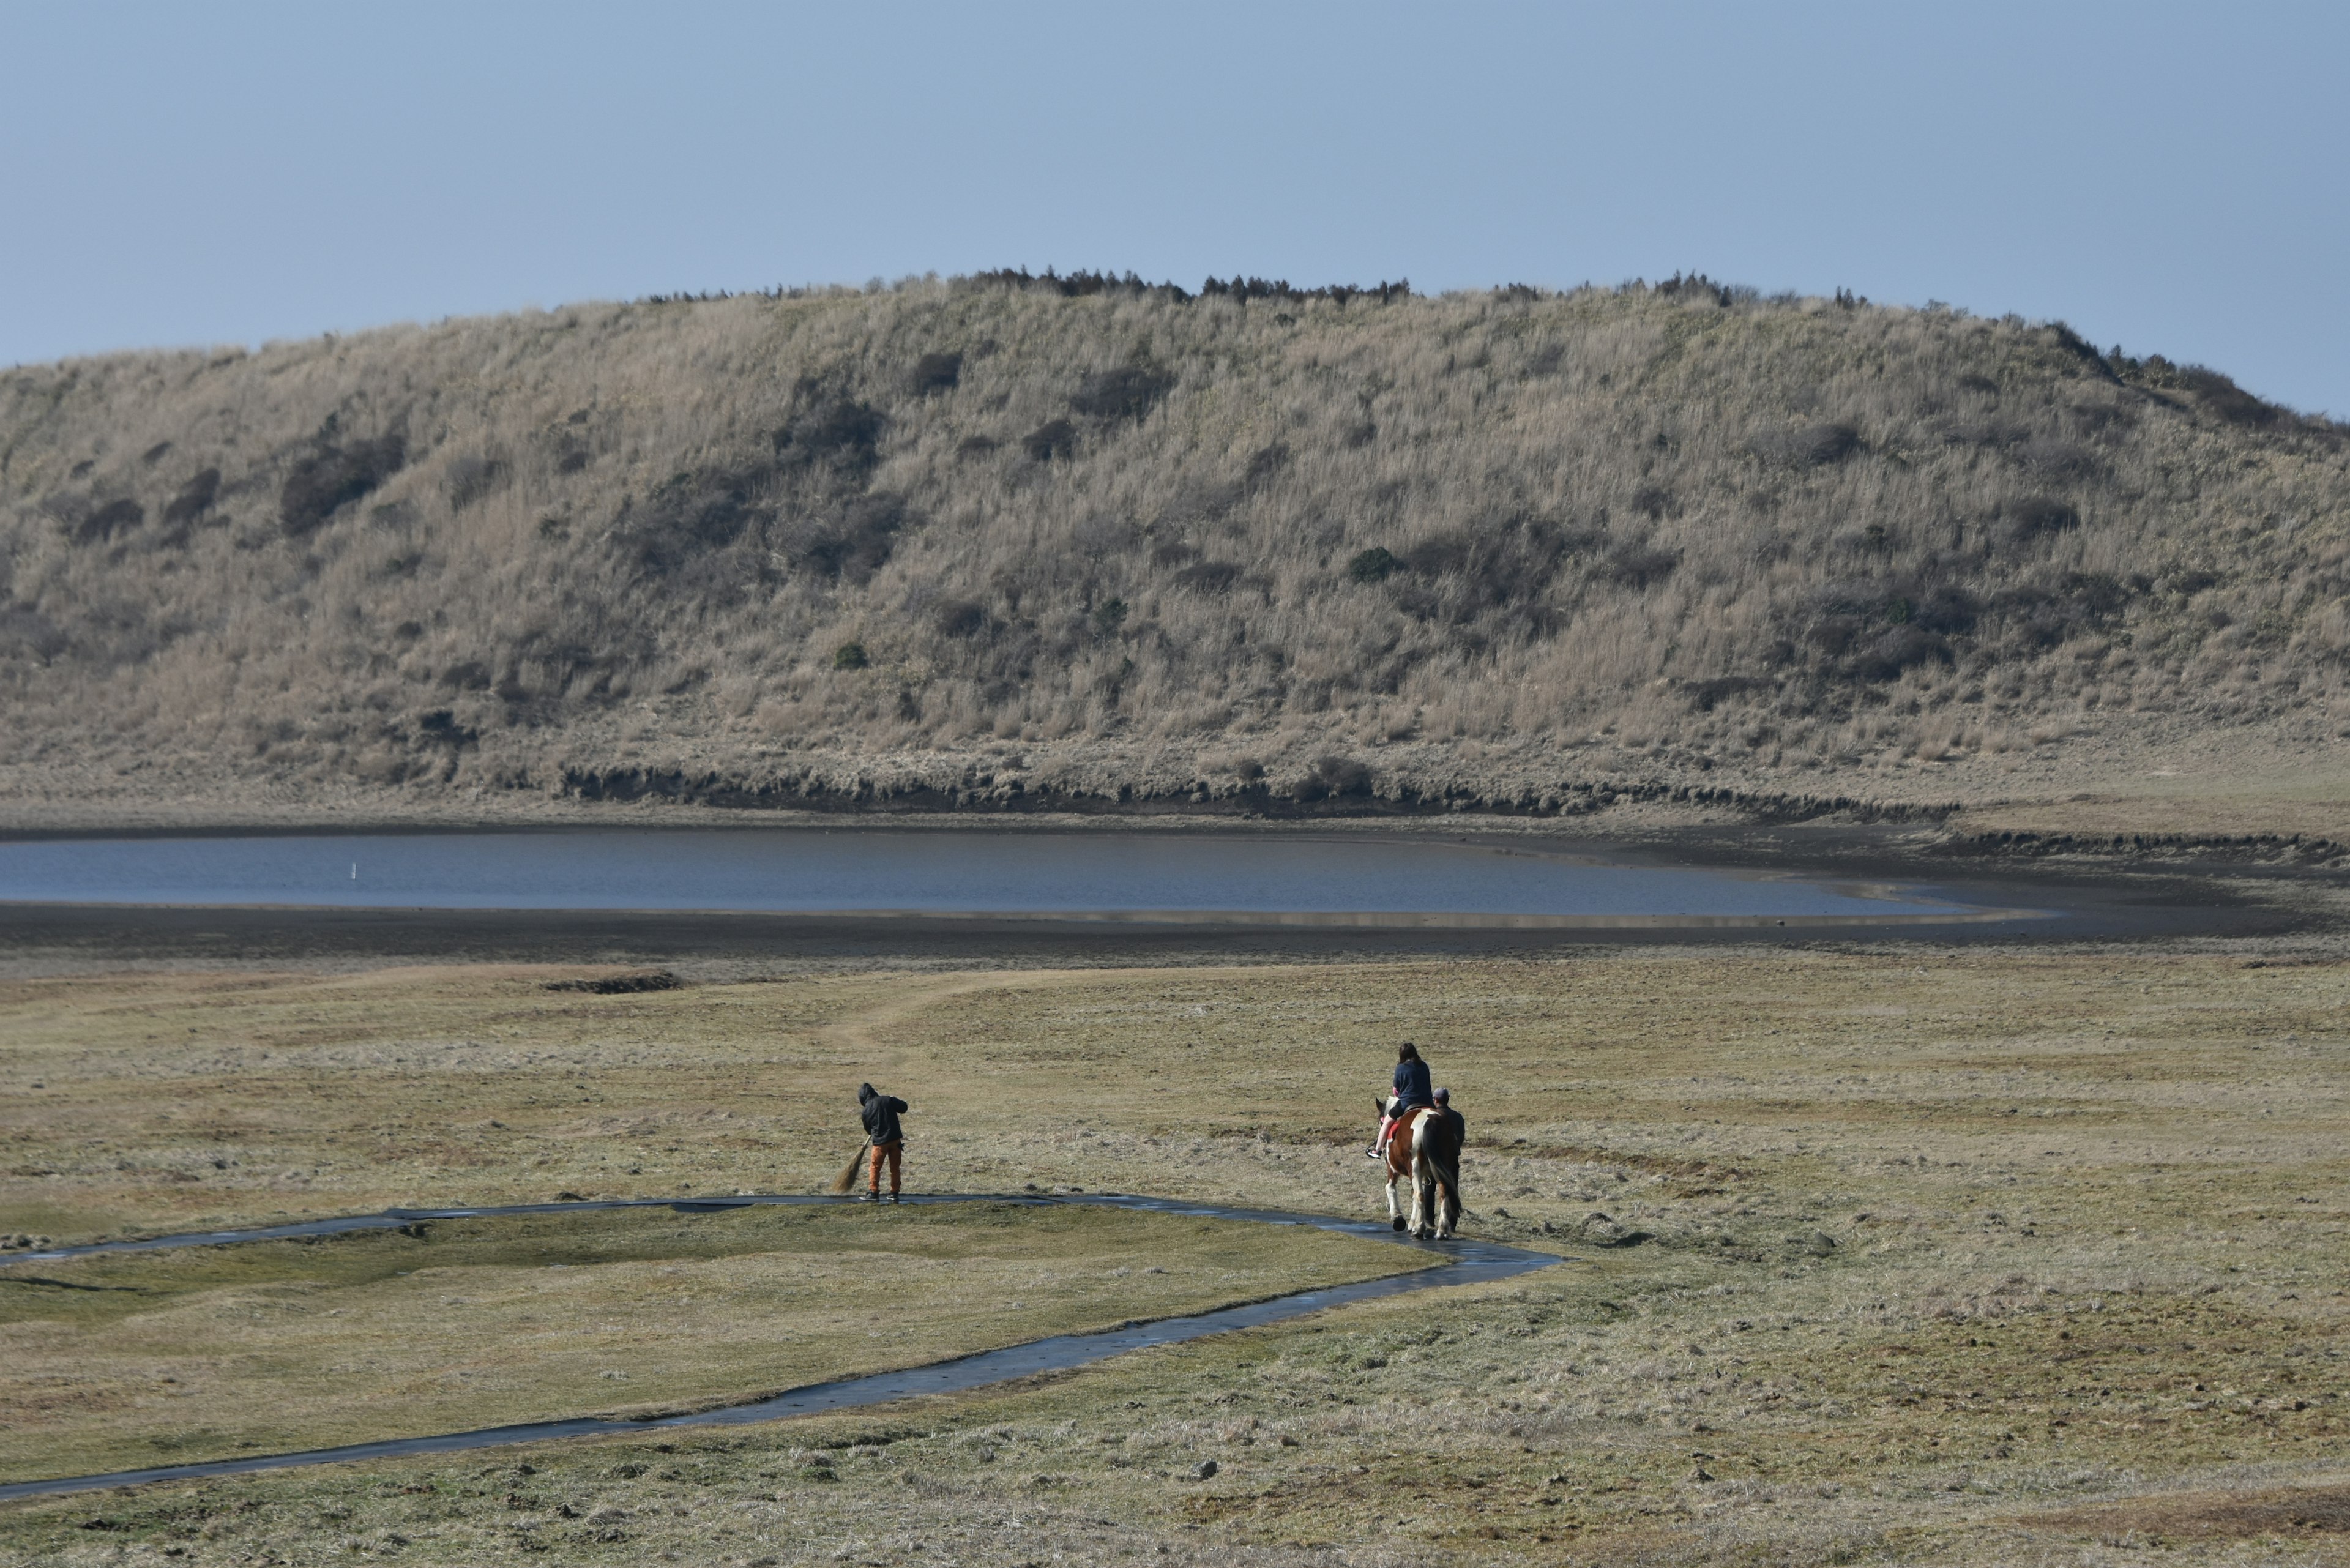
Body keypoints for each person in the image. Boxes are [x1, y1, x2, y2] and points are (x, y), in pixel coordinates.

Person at [1368, 1042, 1435, 1159]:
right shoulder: (1424, 1066)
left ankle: (1377, 1150)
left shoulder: (1401, 1068)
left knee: (1387, 1121)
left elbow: (1396, 1091)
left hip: (1407, 1103)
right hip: (1428, 1102)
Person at [857, 1082, 909, 1203]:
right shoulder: (887, 1100)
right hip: (895, 1140)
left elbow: (868, 1130)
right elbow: (904, 1108)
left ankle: (874, 1192)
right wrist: (893, 1099)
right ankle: (894, 1193)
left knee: (875, 1167)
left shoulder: (866, 1111)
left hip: (880, 1143)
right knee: (895, 1167)